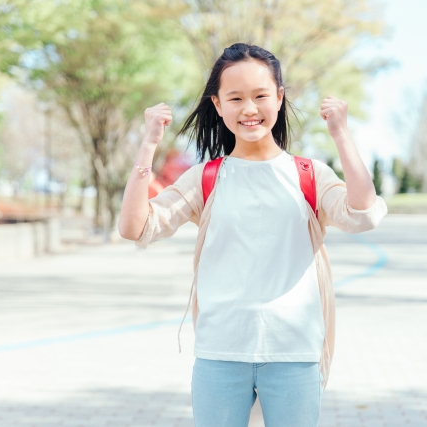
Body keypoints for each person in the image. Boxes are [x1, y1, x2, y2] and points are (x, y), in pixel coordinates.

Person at [118, 43, 387, 427]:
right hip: (220, 352)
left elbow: (362, 213)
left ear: (279, 97)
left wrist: (341, 135)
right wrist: (147, 146)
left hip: (294, 353)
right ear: (217, 104)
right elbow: (135, 227)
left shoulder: (308, 174)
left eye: (261, 95)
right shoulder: (207, 178)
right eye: (236, 97)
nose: (249, 108)